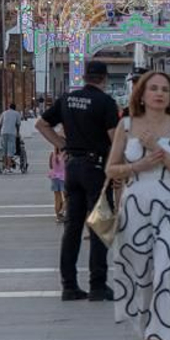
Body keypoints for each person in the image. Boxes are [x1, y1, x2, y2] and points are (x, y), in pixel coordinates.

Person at [106, 71, 170, 340]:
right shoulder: (126, 125)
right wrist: (137, 166)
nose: (159, 93)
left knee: (164, 274)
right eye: (152, 88)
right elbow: (110, 168)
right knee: (143, 279)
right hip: (136, 209)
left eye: (164, 90)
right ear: (141, 94)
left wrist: (159, 150)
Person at [36, 59, 122, 301]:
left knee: (72, 227)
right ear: (104, 79)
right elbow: (115, 139)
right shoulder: (105, 103)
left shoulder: (66, 99)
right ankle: (97, 285)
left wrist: (63, 144)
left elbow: (42, 124)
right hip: (96, 168)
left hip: (72, 167)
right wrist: (119, 168)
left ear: (84, 77)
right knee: (99, 225)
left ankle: (69, 285)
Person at [0, 102, 23, 169]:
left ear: (9, 107)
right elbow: (18, 124)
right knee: (10, 149)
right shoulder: (16, 113)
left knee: (4, 148)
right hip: (12, 133)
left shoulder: (4, 113)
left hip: (3, 132)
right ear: (15, 108)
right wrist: (18, 133)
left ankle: (4, 165)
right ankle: (9, 166)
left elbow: (0, 124)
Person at [47, 145, 67, 222]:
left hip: (54, 177)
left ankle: (58, 216)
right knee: (67, 197)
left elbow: (51, 166)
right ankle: (62, 210)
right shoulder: (65, 155)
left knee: (57, 198)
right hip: (63, 177)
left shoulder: (52, 154)